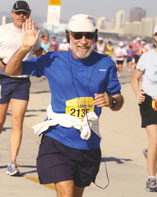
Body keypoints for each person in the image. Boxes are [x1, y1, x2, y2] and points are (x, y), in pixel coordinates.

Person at [6, 14, 124, 197]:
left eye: (89, 35)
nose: (83, 41)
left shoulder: (106, 64)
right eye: (78, 35)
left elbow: (118, 99)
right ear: (68, 36)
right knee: (66, 193)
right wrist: (25, 48)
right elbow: (11, 70)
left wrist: (112, 101)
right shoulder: (53, 60)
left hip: (88, 142)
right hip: (57, 139)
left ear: (95, 36)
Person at [0, 1, 42, 176]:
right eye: (18, 13)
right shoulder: (3, 30)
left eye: (25, 13)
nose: (21, 16)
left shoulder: (33, 32)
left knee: (17, 122)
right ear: (12, 13)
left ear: (29, 13)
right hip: (3, 79)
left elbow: (39, 52)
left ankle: (12, 162)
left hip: (22, 81)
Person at [131, 24, 157, 192]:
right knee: (155, 140)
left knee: (155, 146)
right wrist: (137, 93)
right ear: (155, 37)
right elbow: (135, 78)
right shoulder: (147, 57)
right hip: (149, 101)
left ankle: (151, 152)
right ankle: (151, 179)